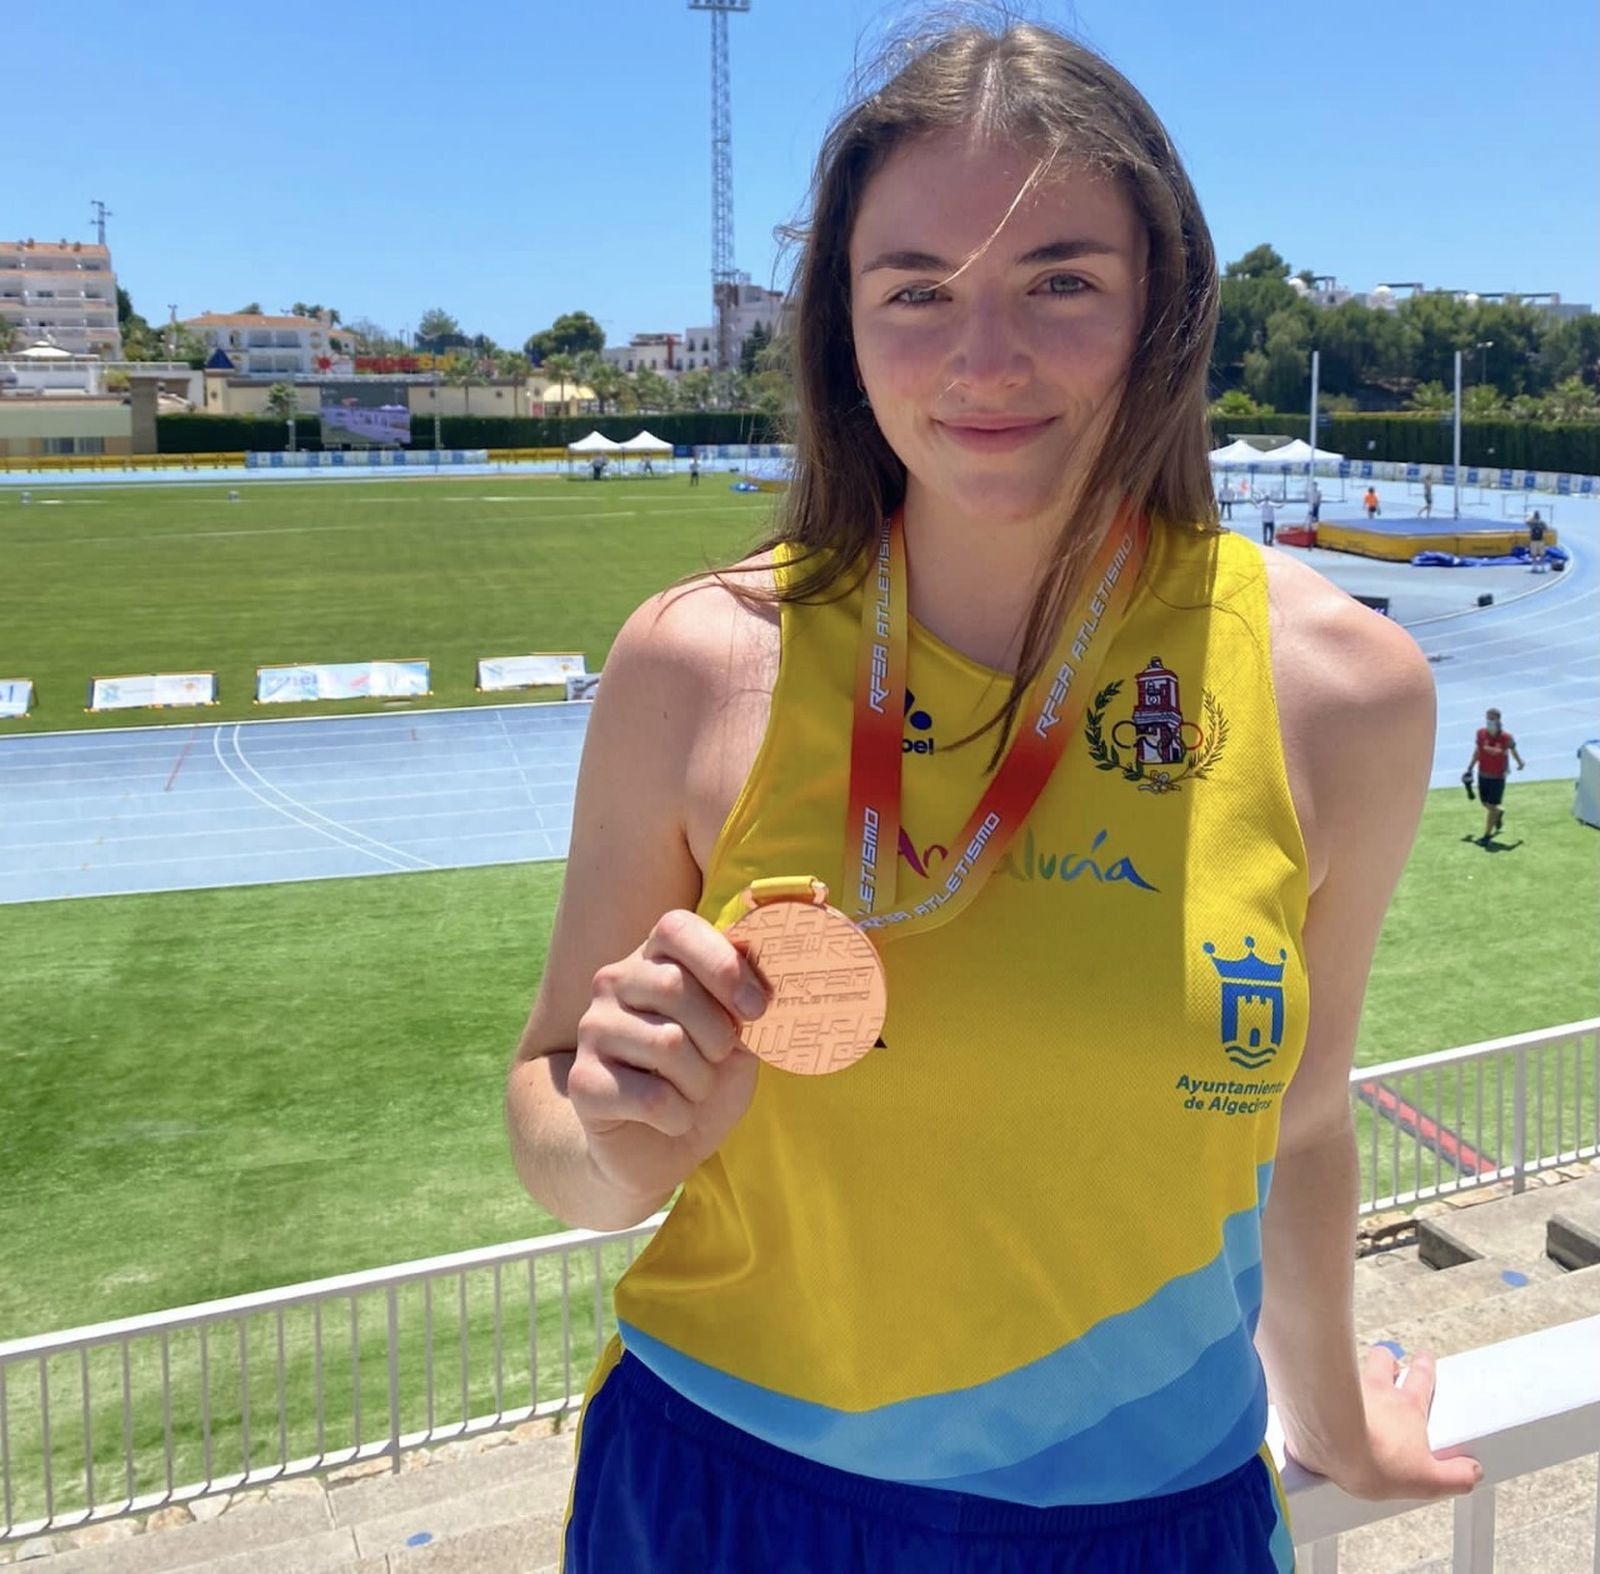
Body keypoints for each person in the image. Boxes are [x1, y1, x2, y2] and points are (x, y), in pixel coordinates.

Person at [506, 22, 1477, 1573]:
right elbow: (552, 1104)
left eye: (1061, 281)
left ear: (1165, 303)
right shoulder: (700, 659)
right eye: (917, 292)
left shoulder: (1343, 693)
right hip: (728, 1492)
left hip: (1155, 1516)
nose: (985, 360)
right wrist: (617, 1144)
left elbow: (1296, 1119)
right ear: (844, 327)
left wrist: (1337, 1429)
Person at [1464, 707, 1525, 842]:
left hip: (1498, 776)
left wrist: (1520, 762)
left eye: (1492, 718)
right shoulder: (1481, 733)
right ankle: (1498, 812)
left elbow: (1513, 750)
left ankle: (1487, 835)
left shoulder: (1506, 737)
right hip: (1483, 773)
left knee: (1491, 807)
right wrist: (1470, 767)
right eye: (1487, 718)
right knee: (1485, 803)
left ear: (1498, 719)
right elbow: (1478, 751)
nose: (1489, 721)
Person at [1526, 508, 1548, 572]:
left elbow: (1526, 522)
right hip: (1540, 540)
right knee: (1542, 555)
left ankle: (1534, 568)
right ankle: (1542, 568)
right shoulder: (1542, 523)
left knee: (1534, 555)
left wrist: (1530, 517)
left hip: (1533, 540)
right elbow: (1546, 529)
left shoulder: (1532, 523)